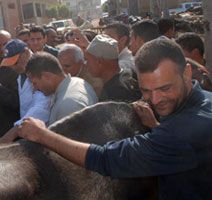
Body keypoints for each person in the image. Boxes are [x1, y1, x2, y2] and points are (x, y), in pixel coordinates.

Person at [19, 38, 212, 199]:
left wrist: (43, 135)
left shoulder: (185, 132)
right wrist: (156, 126)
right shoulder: (205, 101)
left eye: (165, 88)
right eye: (146, 90)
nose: (155, 100)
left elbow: (105, 158)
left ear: (187, 73)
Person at [0, 39, 51, 143]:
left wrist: (13, 133)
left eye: (16, 63)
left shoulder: (41, 72)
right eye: (10, 64)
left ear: (26, 53)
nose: (13, 67)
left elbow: (41, 108)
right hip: (26, 132)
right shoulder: (21, 74)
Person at [26, 52, 97, 125]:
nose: (34, 89)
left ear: (47, 76)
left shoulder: (67, 105)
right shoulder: (78, 81)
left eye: (35, 83)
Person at [85, 34, 141, 102]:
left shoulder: (114, 93)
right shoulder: (129, 73)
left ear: (99, 62)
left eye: (88, 60)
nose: (86, 64)